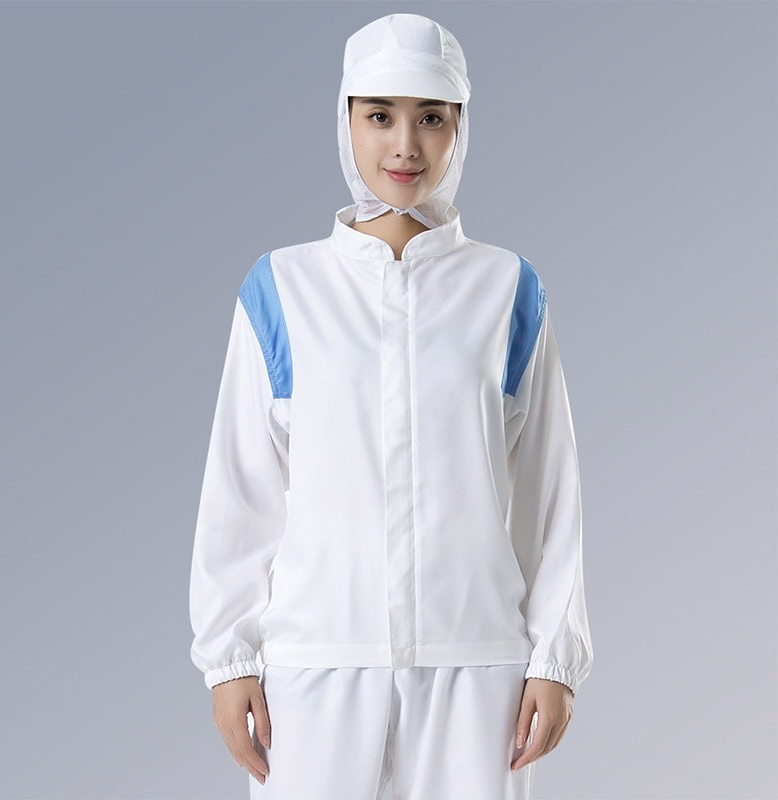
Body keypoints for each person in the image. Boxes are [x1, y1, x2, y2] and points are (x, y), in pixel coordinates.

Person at [188, 13, 593, 800]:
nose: (405, 146)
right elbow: (241, 487)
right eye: (380, 115)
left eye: (430, 117)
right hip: (315, 667)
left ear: (460, 128)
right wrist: (229, 660)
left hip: (477, 668)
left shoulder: (508, 289)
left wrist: (555, 658)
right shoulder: (283, 289)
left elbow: (551, 490)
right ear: (345, 121)